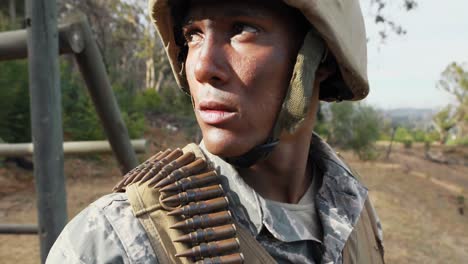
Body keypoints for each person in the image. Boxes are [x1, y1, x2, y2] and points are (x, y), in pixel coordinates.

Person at [47, 0, 385, 263]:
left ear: (320, 56)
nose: (203, 66)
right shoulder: (112, 242)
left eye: (242, 30)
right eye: (192, 34)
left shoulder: (355, 211)